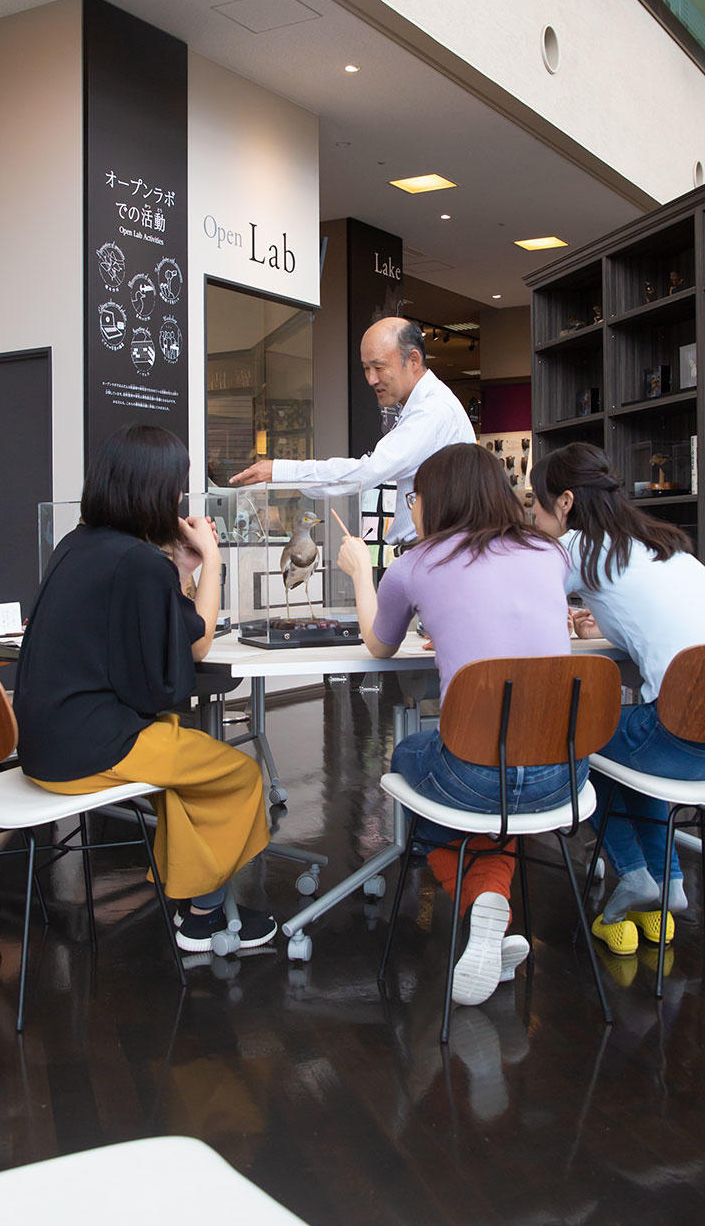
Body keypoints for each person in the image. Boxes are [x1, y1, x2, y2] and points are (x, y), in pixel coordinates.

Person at [337, 441, 585, 1006]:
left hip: (474, 775)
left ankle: (477, 903)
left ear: (436, 500)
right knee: (493, 798)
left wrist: (357, 571)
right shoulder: (551, 554)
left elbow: (379, 646)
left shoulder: (415, 565)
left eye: (414, 496)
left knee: (407, 759)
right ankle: (490, 908)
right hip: (564, 776)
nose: (411, 507)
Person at [13, 424, 276, 953]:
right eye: (177, 485)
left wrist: (179, 568)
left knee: (184, 772)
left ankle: (195, 903)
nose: (180, 496)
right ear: (156, 490)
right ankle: (203, 916)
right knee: (238, 774)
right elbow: (194, 646)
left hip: (42, 742)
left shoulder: (78, 544)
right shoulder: (137, 562)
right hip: (90, 747)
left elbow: (159, 625)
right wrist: (213, 563)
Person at [529, 442, 705, 956]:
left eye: (536, 509)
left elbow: (521, 599)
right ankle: (667, 880)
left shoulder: (578, 548)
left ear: (564, 503)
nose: (535, 523)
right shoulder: (668, 544)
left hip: (678, 738)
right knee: (628, 746)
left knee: (580, 738)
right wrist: (597, 621)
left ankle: (634, 873)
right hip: (691, 733)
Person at [230, 317, 475, 551]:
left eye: (378, 367)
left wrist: (281, 471)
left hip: (432, 554)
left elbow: (367, 472)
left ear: (413, 360)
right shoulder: (426, 405)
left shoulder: (432, 411)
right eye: (366, 368)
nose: (371, 379)